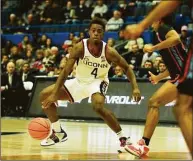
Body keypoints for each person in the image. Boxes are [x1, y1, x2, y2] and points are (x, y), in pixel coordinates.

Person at [39, 18, 141, 152]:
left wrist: (135, 87)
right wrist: (54, 94)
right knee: (44, 95)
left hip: (98, 81)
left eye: (99, 31)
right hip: (79, 81)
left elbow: (127, 68)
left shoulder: (109, 52)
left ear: (103, 34)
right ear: (89, 32)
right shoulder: (79, 47)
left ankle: (123, 139)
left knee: (97, 106)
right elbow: (66, 71)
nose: (96, 33)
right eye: (94, 30)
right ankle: (58, 132)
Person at [124, 15, 187, 157]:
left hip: (185, 76)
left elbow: (176, 38)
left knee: (154, 102)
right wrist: (158, 77)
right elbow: (172, 67)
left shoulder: (163, 29)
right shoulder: (159, 35)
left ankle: (143, 145)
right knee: (154, 103)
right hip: (180, 75)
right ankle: (143, 144)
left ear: (159, 20)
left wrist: (153, 48)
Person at [173, 38, 193, 158]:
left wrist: (142, 25)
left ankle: (144, 142)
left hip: (177, 76)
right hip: (176, 74)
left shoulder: (165, 31)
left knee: (182, 108)